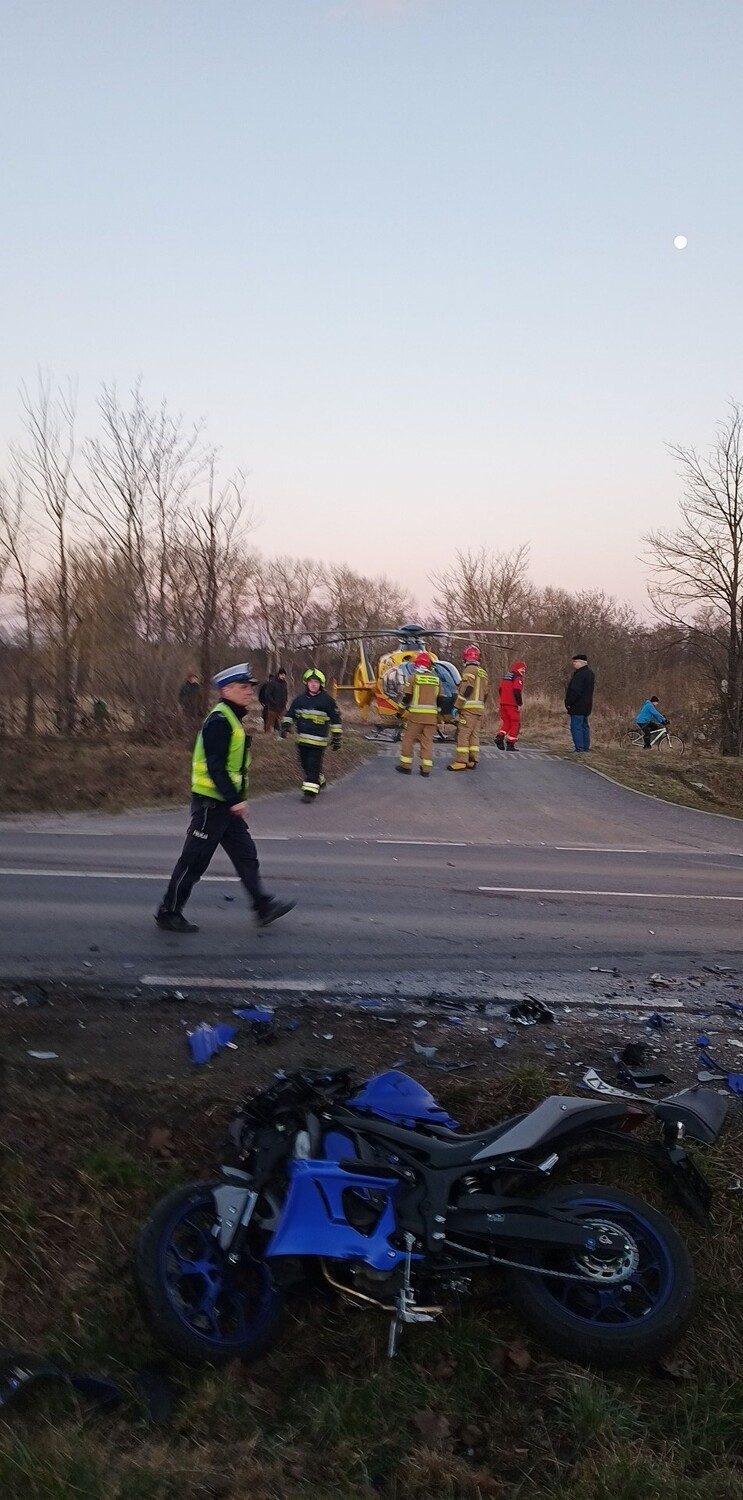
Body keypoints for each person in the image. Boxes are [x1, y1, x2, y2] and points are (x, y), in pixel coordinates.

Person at [155, 664, 295, 933]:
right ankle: (168, 912)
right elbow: (215, 766)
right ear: (226, 690)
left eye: (250, 688)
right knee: (193, 862)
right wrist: (235, 800)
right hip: (212, 805)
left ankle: (262, 906)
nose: (249, 692)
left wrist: (234, 801)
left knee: (246, 856)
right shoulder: (220, 720)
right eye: (244, 688)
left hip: (225, 807)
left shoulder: (232, 717)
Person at [282, 668, 342, 802]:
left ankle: (310, 792)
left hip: (318, 742)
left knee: (314, 764)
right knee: (305, 764)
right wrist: (285, 726)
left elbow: (336, 720)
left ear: (321, 684)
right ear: (306, 683)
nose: (313, 684)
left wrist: (337, 737)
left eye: (316, 682)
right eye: (310, 682)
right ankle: (319, 780)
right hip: (302, 740)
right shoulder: (299, 700)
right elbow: (290, 714)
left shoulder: (327, 701)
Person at [397, 652, 441, 777]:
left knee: (408, 740)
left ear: (416, 665)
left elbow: (407, 697)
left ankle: (406, 766)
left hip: (416, 717)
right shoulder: (436, 680)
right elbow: (440, 699)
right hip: (431, 718)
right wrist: (439, 714)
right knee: (427, 742)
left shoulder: (413, 678)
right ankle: (425, 770)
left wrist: (400, 711)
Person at [449, 644, 489, 770]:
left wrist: (457, 705)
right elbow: (486, 692)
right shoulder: (483, 672)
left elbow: (467, 688)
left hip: (469, 709)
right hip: (479, 709)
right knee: (474, 735)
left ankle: (461, 762)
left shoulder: (469, 670)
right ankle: (472, 759)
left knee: (463, 734)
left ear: (465, 658)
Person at [565, 652, 595, 752]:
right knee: (584, 727)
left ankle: (579, 748)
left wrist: (568, 702)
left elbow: (575, 691)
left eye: (575, 662)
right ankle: (585, 747)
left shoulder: (580, 675)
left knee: (576, 727)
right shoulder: (590, 673)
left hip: (577, 705)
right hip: (587, 705)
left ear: (580, 662)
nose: (574, 664)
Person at [495, 660, 526, 753]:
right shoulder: (518, 677)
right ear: (517, 668)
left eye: (524, 670)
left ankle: (499, 737)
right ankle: (510, 743)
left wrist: (502, 699)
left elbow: (500, 689)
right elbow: (517, 691)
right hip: (512, 704)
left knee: (506, 722)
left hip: (503, 703)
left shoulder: (507, 676)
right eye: (522, 669)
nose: (523, 671)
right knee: (515, 723)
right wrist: (519, 703)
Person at [259, 668, 289, 733]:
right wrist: (273, 702)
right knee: (269, 722)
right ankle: (266, 735)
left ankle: (284, 733)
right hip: (273, 707)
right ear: (278, 675)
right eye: (282, 675)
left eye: (284, 675)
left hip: (282, 706)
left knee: (286, 719)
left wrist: (285, 700)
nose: (283, 676)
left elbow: (285, 692)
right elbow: (268, 694)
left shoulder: (284, 683)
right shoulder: (272, 683)